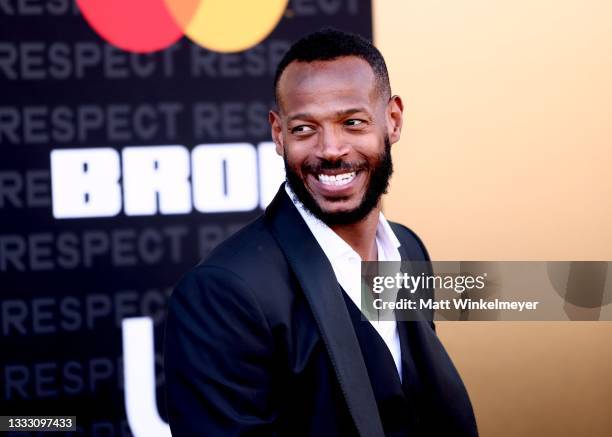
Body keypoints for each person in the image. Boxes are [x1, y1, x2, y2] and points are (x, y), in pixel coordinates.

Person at [164, 29, 478, 437]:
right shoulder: (222, 294)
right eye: (304, 129)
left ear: (393, 120)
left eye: (352, 122)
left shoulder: (409, 250)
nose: (331, 149)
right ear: (278, 134)